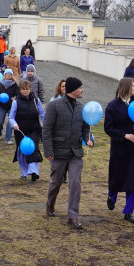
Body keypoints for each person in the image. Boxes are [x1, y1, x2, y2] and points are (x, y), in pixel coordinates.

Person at [42, 76, 94, 229]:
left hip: (75, 153)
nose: (83, 90)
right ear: (73, 90)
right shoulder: (54, 105)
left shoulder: (81, 107)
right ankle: (50, 204)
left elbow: (85, 129)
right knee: (56, 182)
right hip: (58, 152)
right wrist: (49, 151)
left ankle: (73, 215)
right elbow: (47, 129)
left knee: (75, 183)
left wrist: (89, 139)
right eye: (80, 87)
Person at [104, 78, 134, 224]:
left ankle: (128, 211)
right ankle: (112, 196)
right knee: (117, 175)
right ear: (126, 87)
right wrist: (124, 135)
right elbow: (108, 128)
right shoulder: (112, 106)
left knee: (132, 180)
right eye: (133, 85)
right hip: (119, 148)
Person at [9, 79, 45, 181]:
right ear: (20, 90)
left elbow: (42, 114)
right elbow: (11, 117)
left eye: (27, 89)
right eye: (23, 89)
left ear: (30, 90)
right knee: (22, 151)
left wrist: (45, 124)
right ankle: (24, 172)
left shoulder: (36, 100)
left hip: (34, 129)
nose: (25, 91)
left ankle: (34, 172)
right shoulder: (16, 102)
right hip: (21, 131)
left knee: (33, 149)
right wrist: (14, 125)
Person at [0, 69, 19, 144]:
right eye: (7, 74)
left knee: (10, 123)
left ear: (12, 76)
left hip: (11, 106)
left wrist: (14, 98)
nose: (8, 75)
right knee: (0, 122)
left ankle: (8, 139)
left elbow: (18, 94)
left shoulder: (14, 84)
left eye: (10, 74)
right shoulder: (1, 84)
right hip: (1, 106)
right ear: (4, 75)